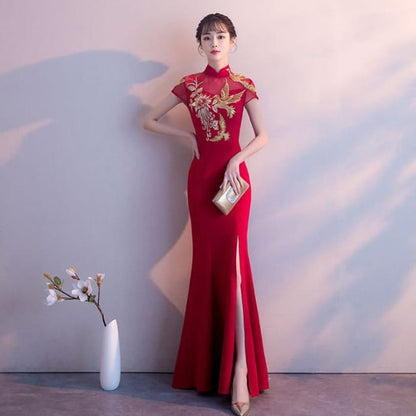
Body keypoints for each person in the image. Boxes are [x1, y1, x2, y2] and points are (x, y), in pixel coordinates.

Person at [143, 13, 269, 416]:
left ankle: (240, 369)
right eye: (207, 37)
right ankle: (208, 367)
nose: (214, 42)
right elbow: (148, 120)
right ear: (199, 44)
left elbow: (263, 136)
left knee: (235, 270)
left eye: (221, 36)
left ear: (232, 41)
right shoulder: (190, 85)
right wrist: (186, 135)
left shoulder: (244, 85)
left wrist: (237, 159)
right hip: (200, 184)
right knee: (207, 267)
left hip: (233, 184)